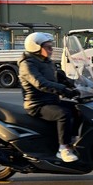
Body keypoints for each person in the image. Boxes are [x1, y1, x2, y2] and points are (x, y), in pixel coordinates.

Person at [18, 32, 80, 162]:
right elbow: (40, 83)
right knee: (63, 114)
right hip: (37, 104)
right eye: (48, 47)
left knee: (78, 108)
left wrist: (73, 84)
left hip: (50, 100)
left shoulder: (46, 61)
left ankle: (72, 140)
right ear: (36, 48)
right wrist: (63, 90)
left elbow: (54, 77)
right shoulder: (27, 64)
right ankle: (63, 149)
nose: (51, 50)